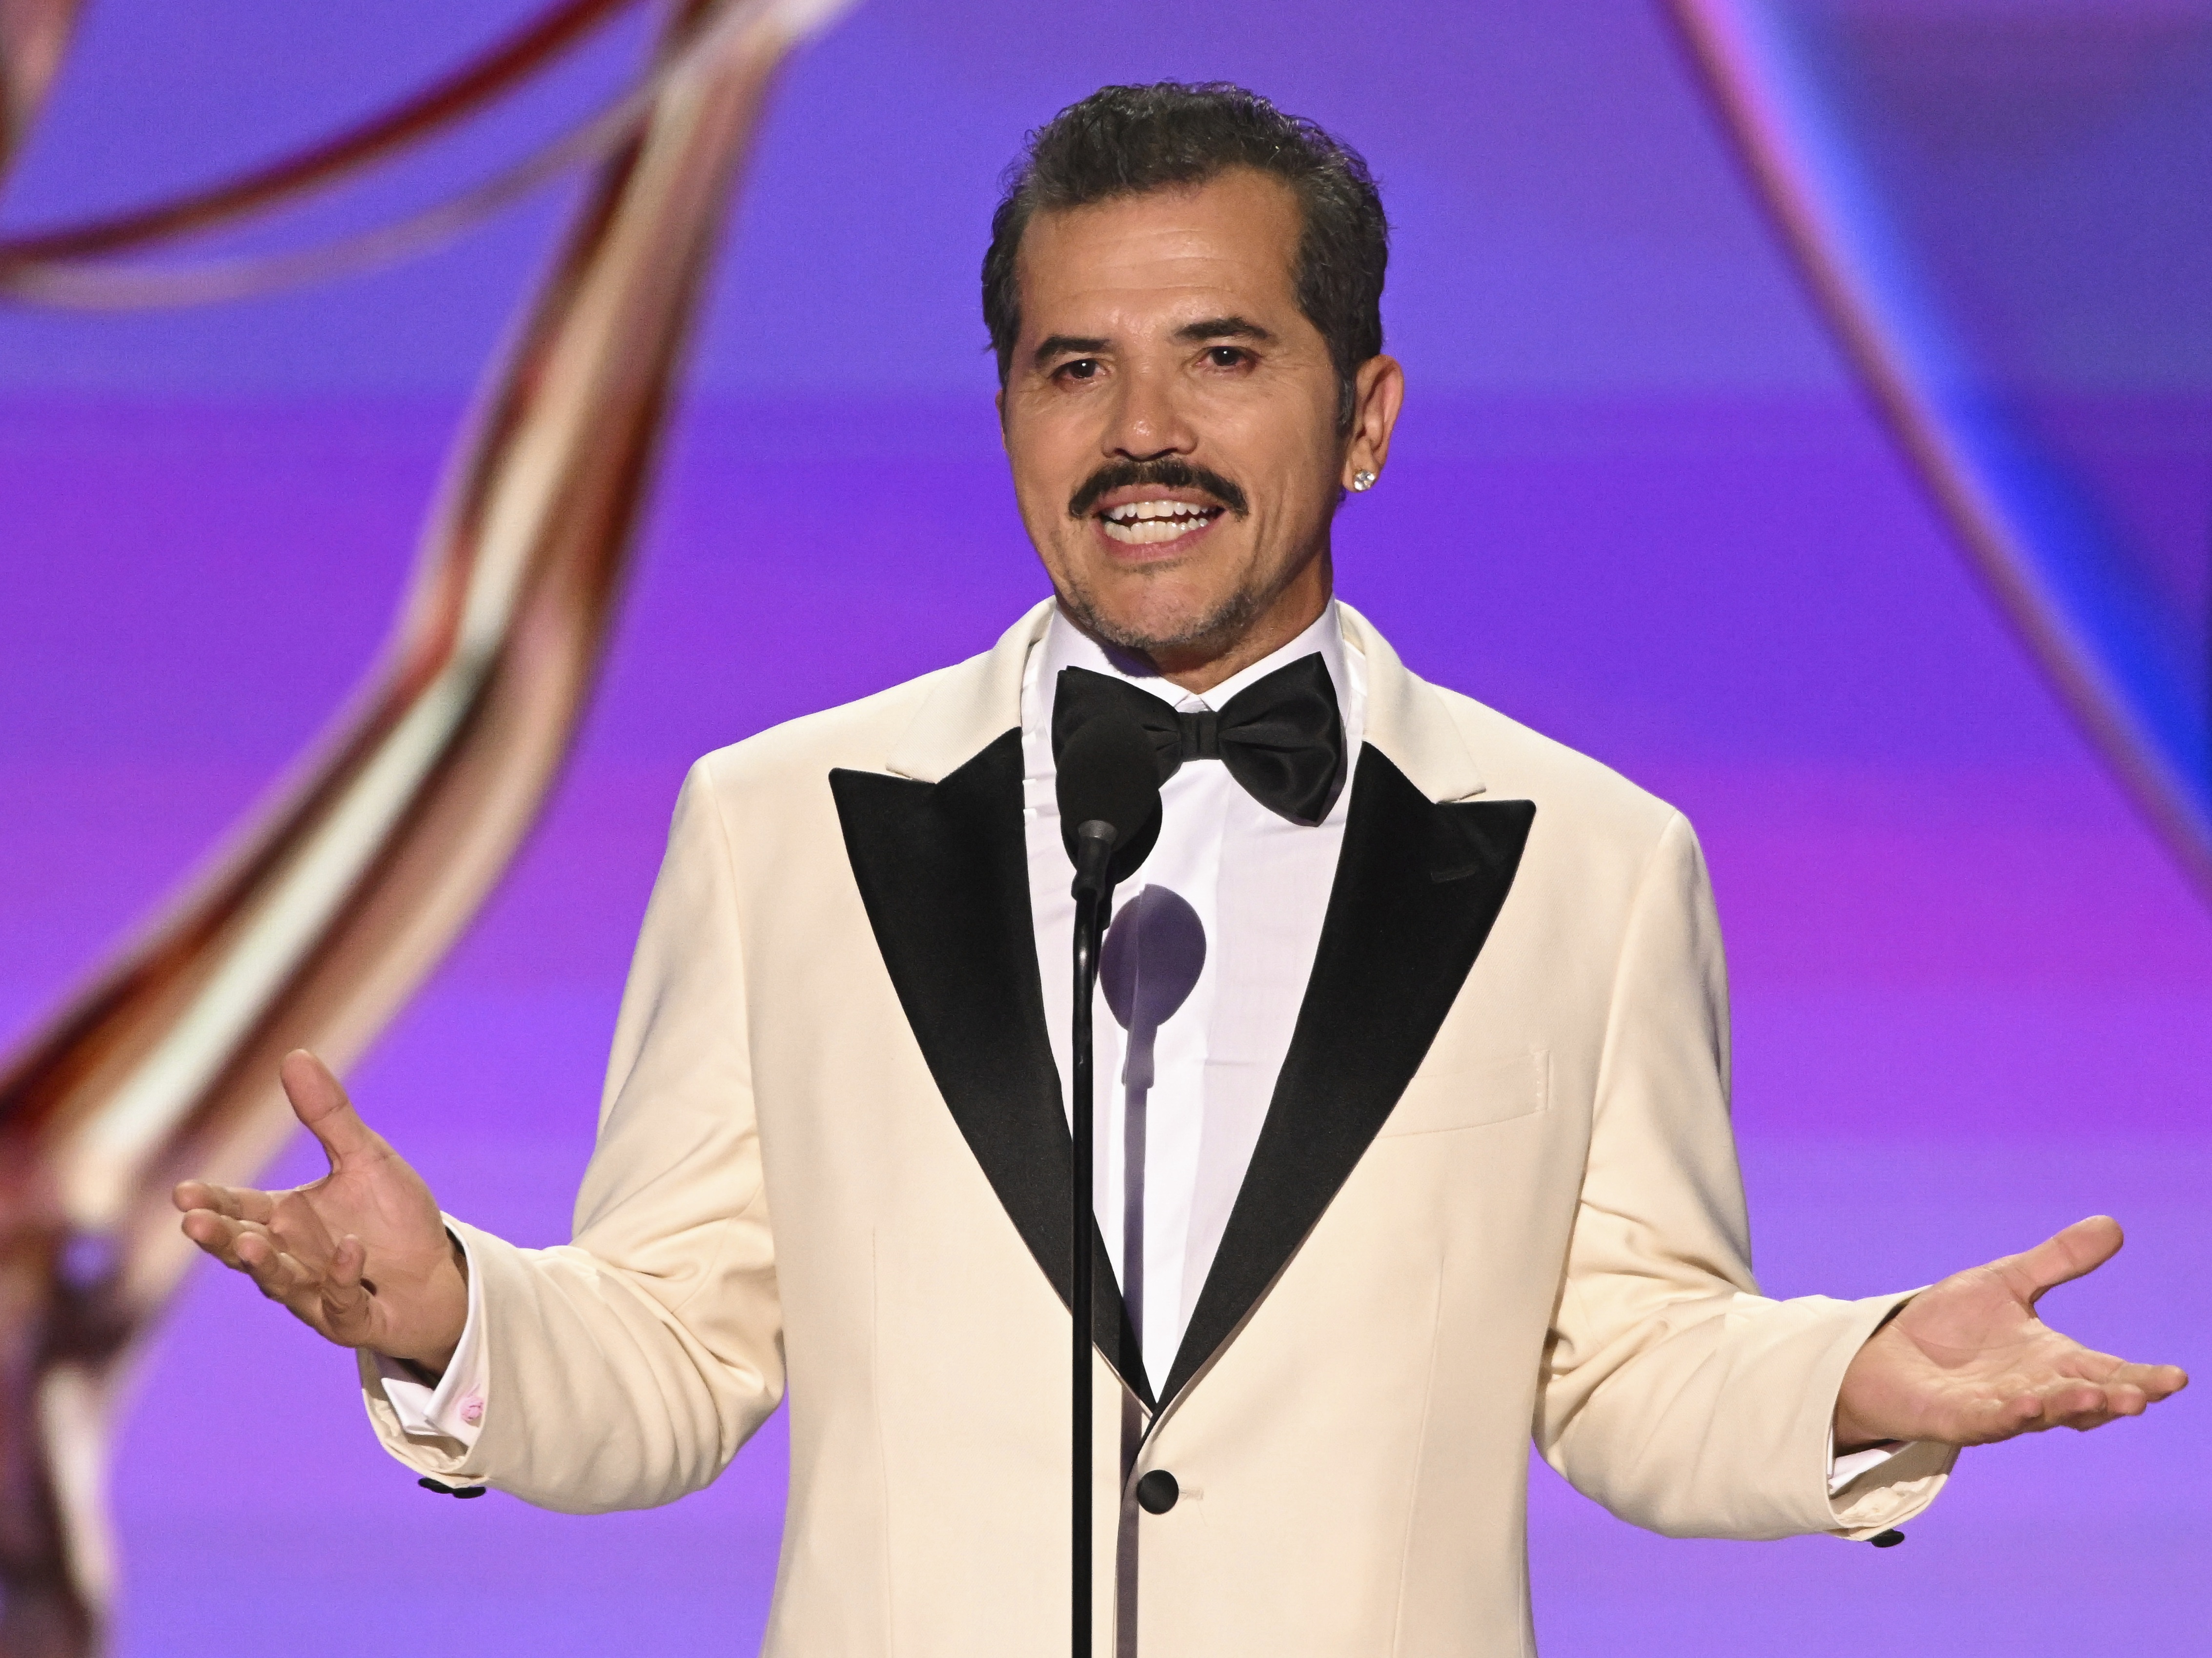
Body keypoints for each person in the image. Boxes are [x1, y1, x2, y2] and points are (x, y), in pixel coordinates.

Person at [174, 83, 2185, 1656]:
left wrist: (1856, 1374)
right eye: (1074, 366)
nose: (1144, 431)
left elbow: (1629, 1356)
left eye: (1224, 355)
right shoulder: (781, 820)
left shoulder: (1592, 859)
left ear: (1368, 414)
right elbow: (681, 1349)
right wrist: (450, 1318)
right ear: (1006, 413)